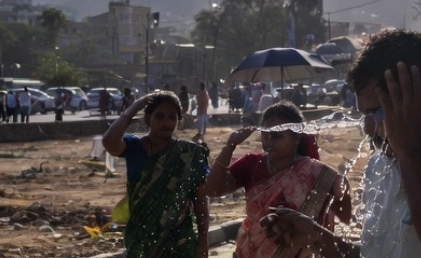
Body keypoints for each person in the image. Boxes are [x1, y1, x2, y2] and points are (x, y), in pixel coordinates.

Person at [261, 29, 421, 258]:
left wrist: (412, 150)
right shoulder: (381, 165)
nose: (368, 127)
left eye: (378, 112)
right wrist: (318, 238)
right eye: (365, 115)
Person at [207, 101, 351, 258]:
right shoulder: (251, 164)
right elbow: (213, 190)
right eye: (265, 135)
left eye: (276, 136)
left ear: (296, 138)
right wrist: (230, 146)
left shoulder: (317, 173)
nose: (268, 141)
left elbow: (345, 217)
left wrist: (342, 190)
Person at [102, 91, 210, 257]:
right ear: (148, 119)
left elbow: (200, 201)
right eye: (159, 116)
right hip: (140, 242)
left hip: (179, 244)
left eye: (172, 117)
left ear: (179, 120)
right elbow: (109, 141)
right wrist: (134, 108)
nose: (166, 122)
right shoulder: (134, 147)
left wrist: (203, 243)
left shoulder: (190, 154)